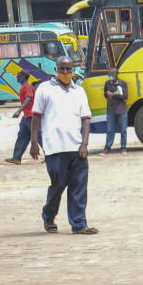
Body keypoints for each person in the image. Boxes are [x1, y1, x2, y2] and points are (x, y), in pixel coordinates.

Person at [30, 56, 98, 235]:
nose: (66, 73)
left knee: (78, 188)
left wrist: (84, 144)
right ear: (56, 69)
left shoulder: (79, 91)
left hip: (76, 148)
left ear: (73, 70)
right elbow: (36, 117)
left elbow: (85, 120)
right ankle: (48, 215)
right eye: (62, 69)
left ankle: (79, 224)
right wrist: (34, 142)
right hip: (54, 147)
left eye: (69, 69)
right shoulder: (44, 89)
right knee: (58, 185)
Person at [5, 71, 40, 164]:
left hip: (31, 116)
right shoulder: (23, 86)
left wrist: (18, 110)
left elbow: (28, 99)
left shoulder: (27, 86)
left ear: (23, 77)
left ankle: (50, 156)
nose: (17, 78)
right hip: (26, 116)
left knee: (39, 137)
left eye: (18, 76)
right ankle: (16, 157)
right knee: (22, 136)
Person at [101, 67, 129, 154]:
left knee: (123, 129)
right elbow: (105, 94)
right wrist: (107, 94)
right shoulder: (107, 83)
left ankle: (123, 147)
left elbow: (125, 96)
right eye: (109, 75)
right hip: (111, 110)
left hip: (121, 109)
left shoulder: (123, 83)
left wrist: (113, 95)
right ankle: (107, 148)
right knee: (110, 130)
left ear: (117, 74)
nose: (110, 76)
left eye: (112, 74)